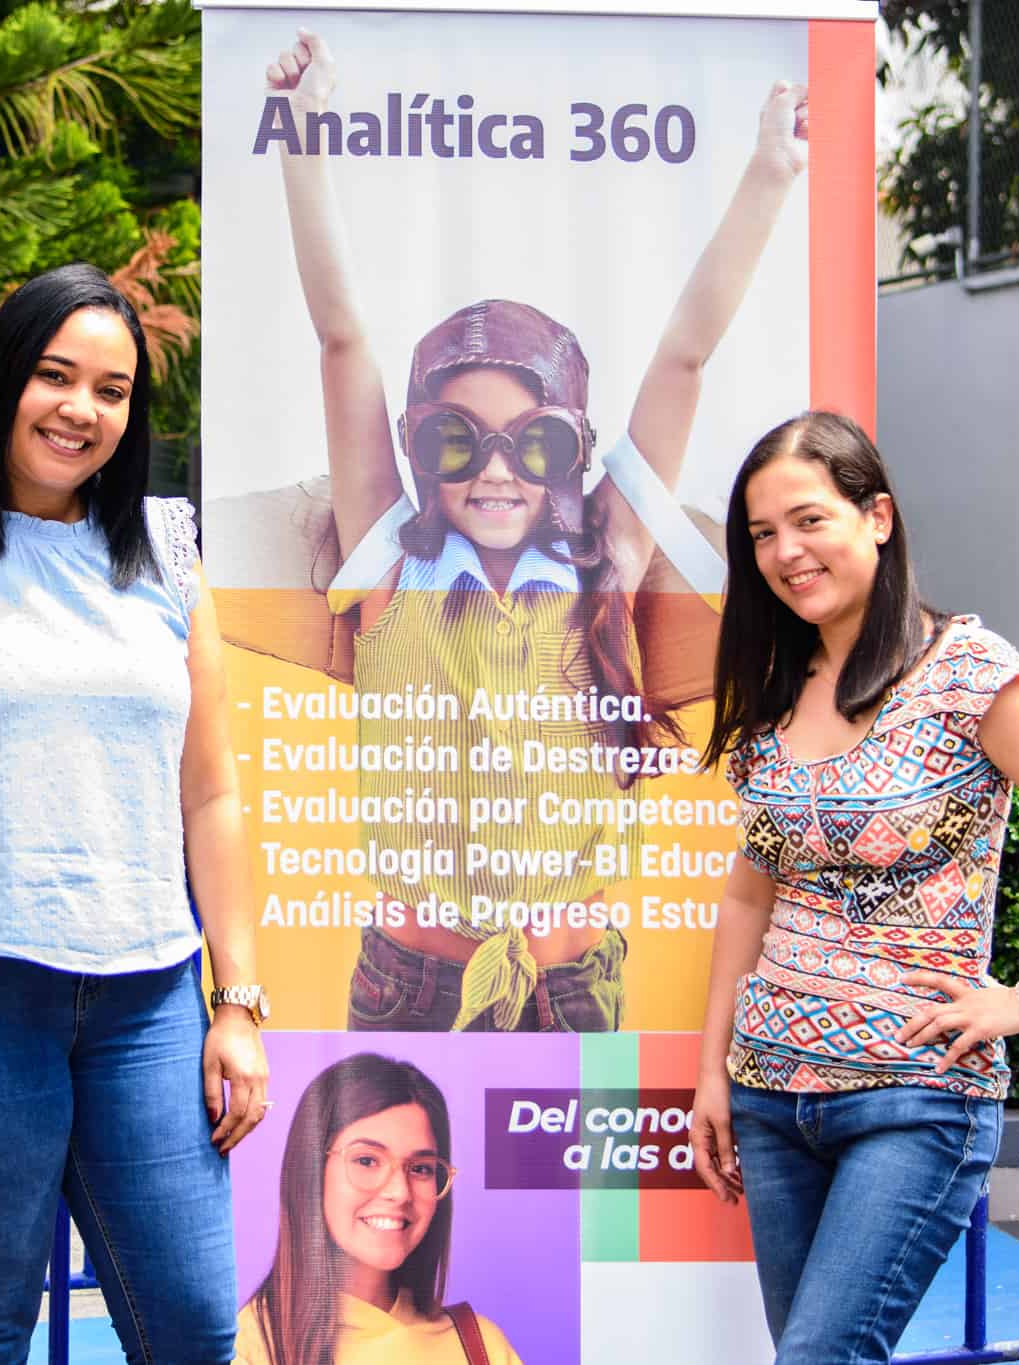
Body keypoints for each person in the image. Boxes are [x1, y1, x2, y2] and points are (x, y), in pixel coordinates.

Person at [265, 29, 809, 1032]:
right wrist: (304, 139)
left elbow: (681, 360)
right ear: (420, 449)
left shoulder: (604, 559)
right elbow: (342, 336)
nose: (497, 473)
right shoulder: (391, 559)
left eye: (533, 443)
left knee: (571, 1197)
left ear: (572, 450)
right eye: (457, 441)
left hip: (568, 980)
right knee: (388, 1191)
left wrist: (770, 174)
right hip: (413, 981)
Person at [686, 412, 1019, 1361]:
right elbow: (748, 895)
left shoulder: (966, 670)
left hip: (913, 1097)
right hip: (770, 1096)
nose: (785, 552)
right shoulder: (777, 685)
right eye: (762, 533)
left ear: (877, 516)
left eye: (808, 520)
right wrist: (711, 1073)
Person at [0, 263, 268, 1364]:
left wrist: (233, 1000)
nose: (80, 410)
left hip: (147, 1001)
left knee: (193, 1323)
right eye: (54, 376)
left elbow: (212, 791)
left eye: (111, 390)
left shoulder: (162, 548)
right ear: (3, 376)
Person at [237, 1053, 521, 1365]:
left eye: (422, 1168)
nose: (399, 1192)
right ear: (310, 1170)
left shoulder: (483, 1346)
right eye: (367, 1160)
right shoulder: (248, 1348)